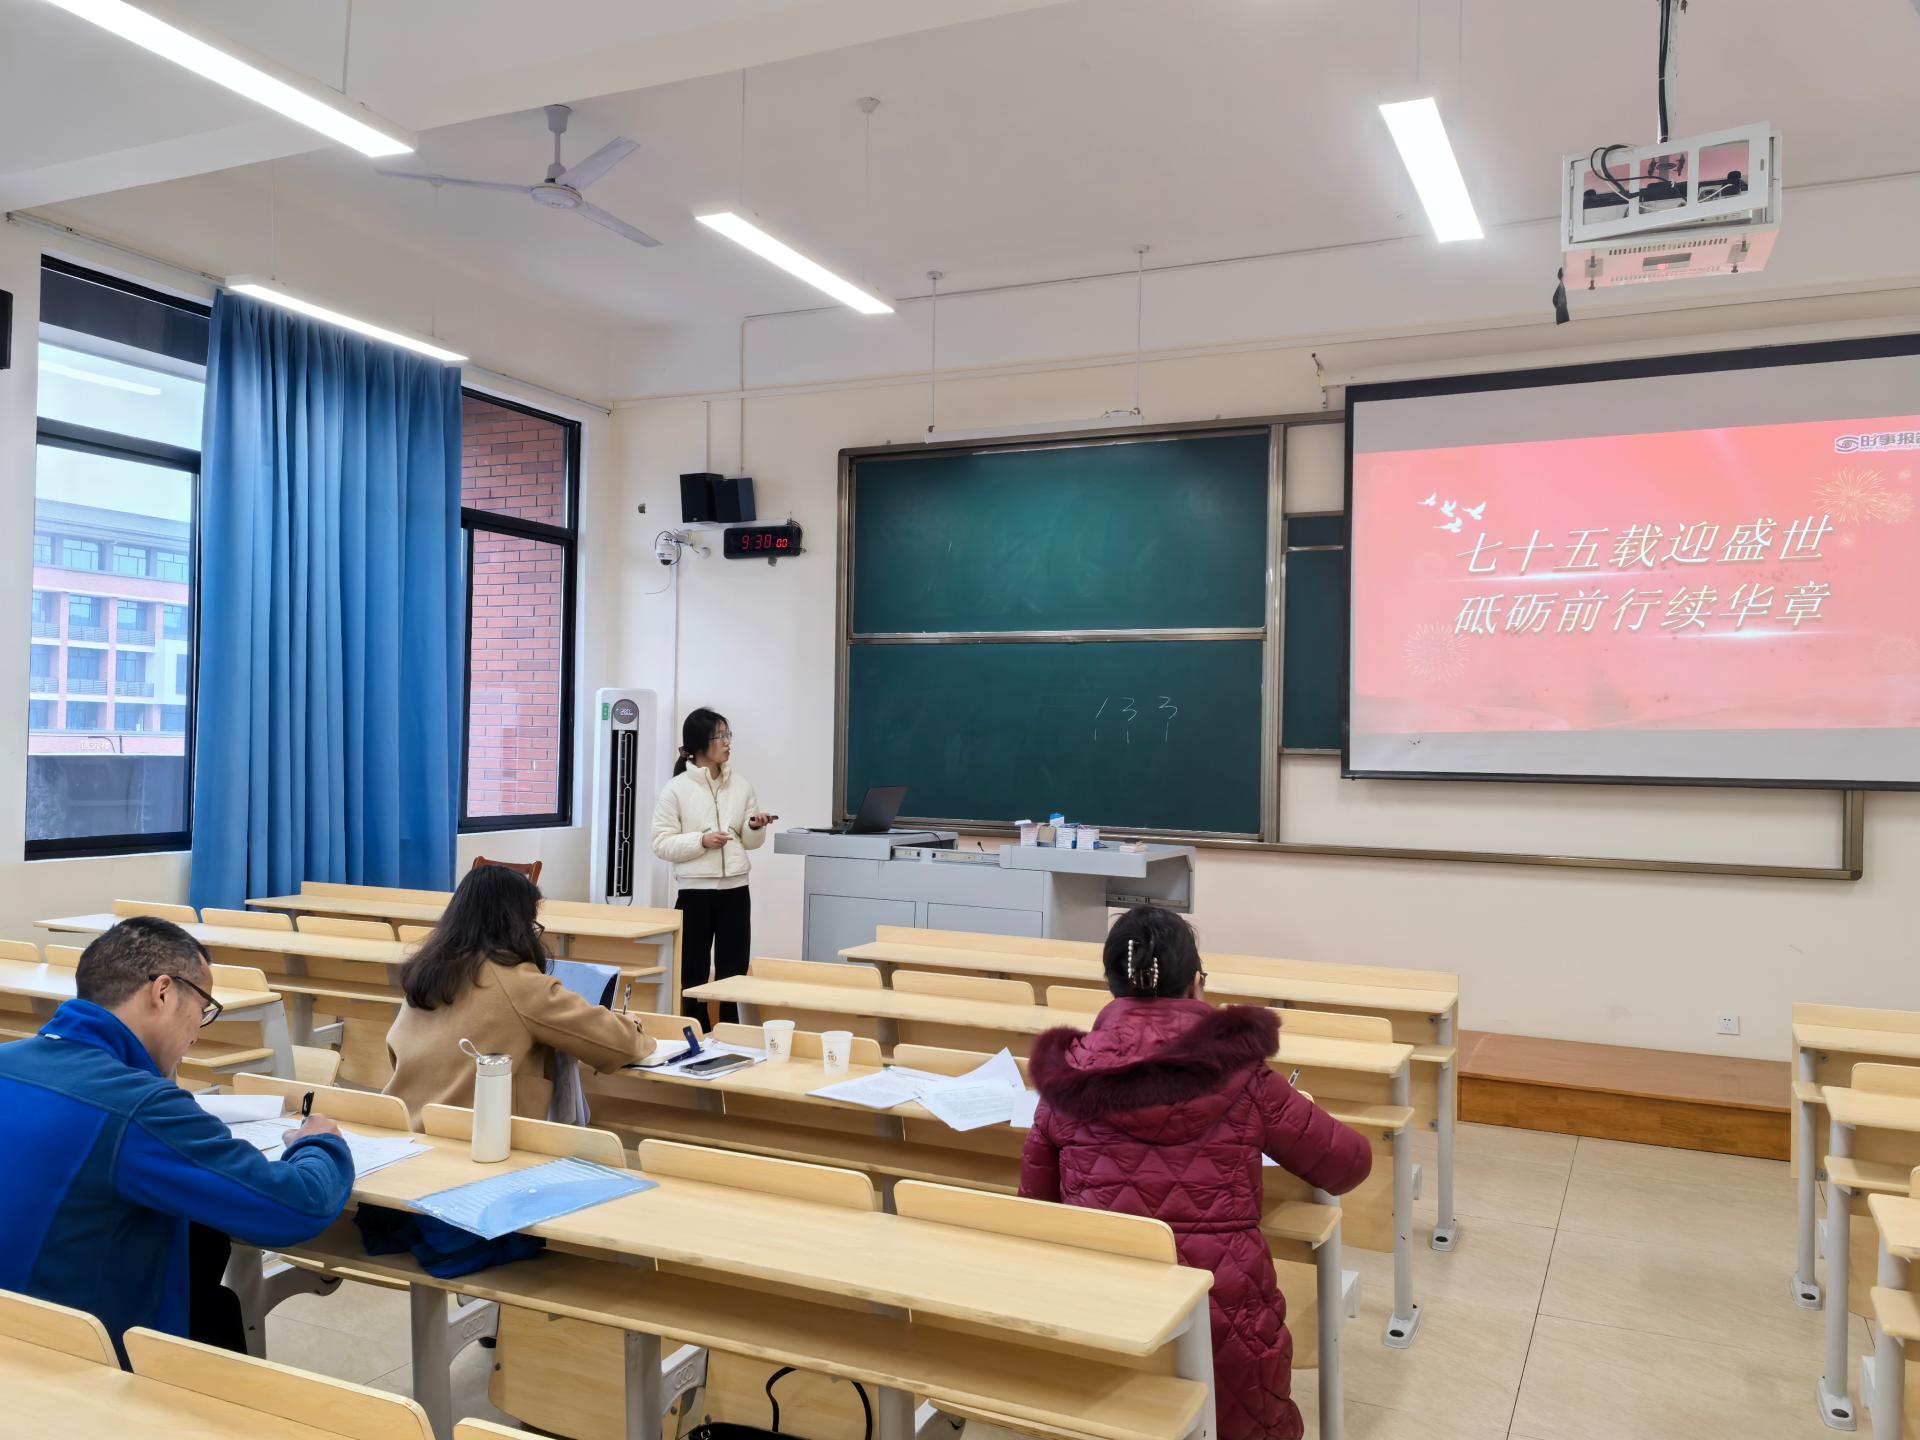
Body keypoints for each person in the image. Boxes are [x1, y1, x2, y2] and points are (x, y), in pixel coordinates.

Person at [1019, 907, 1372, 1440]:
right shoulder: (1243, 1072)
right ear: (1196, 984)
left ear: (1112, 985)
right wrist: (1292, 1108)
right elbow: (1349, 1165)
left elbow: (1036, 1210)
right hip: (1224, 1326)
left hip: (1103, 1319)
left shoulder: (1065, 1076)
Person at [0, 917, 354, 1362]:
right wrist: (318, 1143)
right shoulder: (139, 1105)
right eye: (203, 1009)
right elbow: (299, 1206)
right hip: (74, 1367)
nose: (197, 1033)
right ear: (163, 992)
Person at [385, 864, 654, 1126]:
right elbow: (618, 1044)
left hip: (404, 1127)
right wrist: (631, 1026)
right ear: (516, 924)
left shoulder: (425, 975)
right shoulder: (518, 983)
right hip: (477, 1136)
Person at [651, 707, 774, 1025]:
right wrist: (701, 841)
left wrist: (754, 826)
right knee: (692, 972)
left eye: (728, 735)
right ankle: (696, 1033)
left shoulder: (741, 785)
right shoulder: (676, 789)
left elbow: (750, 842)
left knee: (734, 972)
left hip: (736, 888)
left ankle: (732, 1033)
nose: (727, 742)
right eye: (720, 736)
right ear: (699, 743)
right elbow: (661, 844)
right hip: (695, 892)